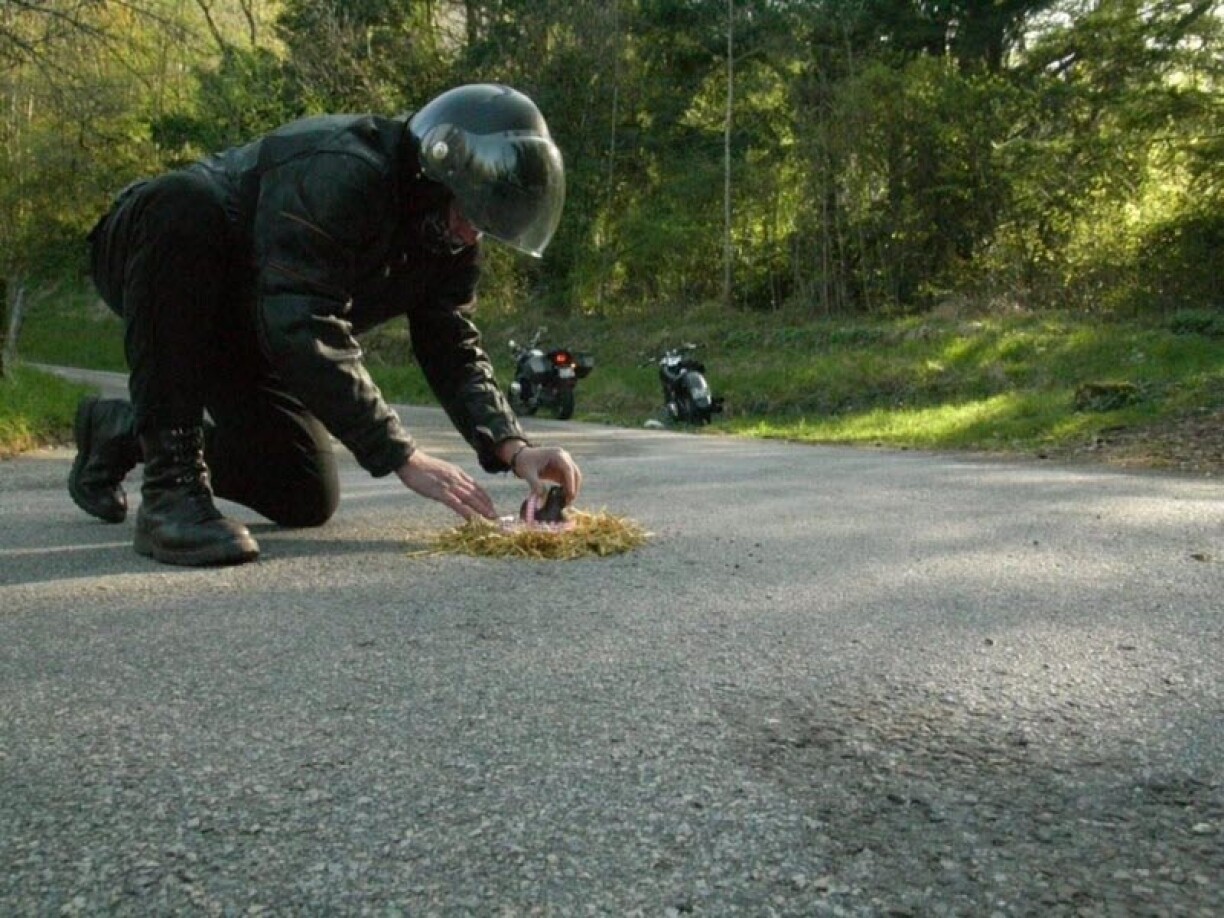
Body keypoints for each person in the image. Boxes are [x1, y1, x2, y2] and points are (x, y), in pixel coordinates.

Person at [68, 83, 582, 567]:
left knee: (303, 491)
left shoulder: (450, 239)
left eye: (485, 223)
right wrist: (401, 454)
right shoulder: (346, 169)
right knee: (181, 203)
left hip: (255, 320)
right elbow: (302, 323)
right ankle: (169, 492)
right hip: (160, 260)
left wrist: (513, 447)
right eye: (471, 214)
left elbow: (453, 346)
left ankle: (125, 430)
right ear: (438, 171)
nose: (472, 234)